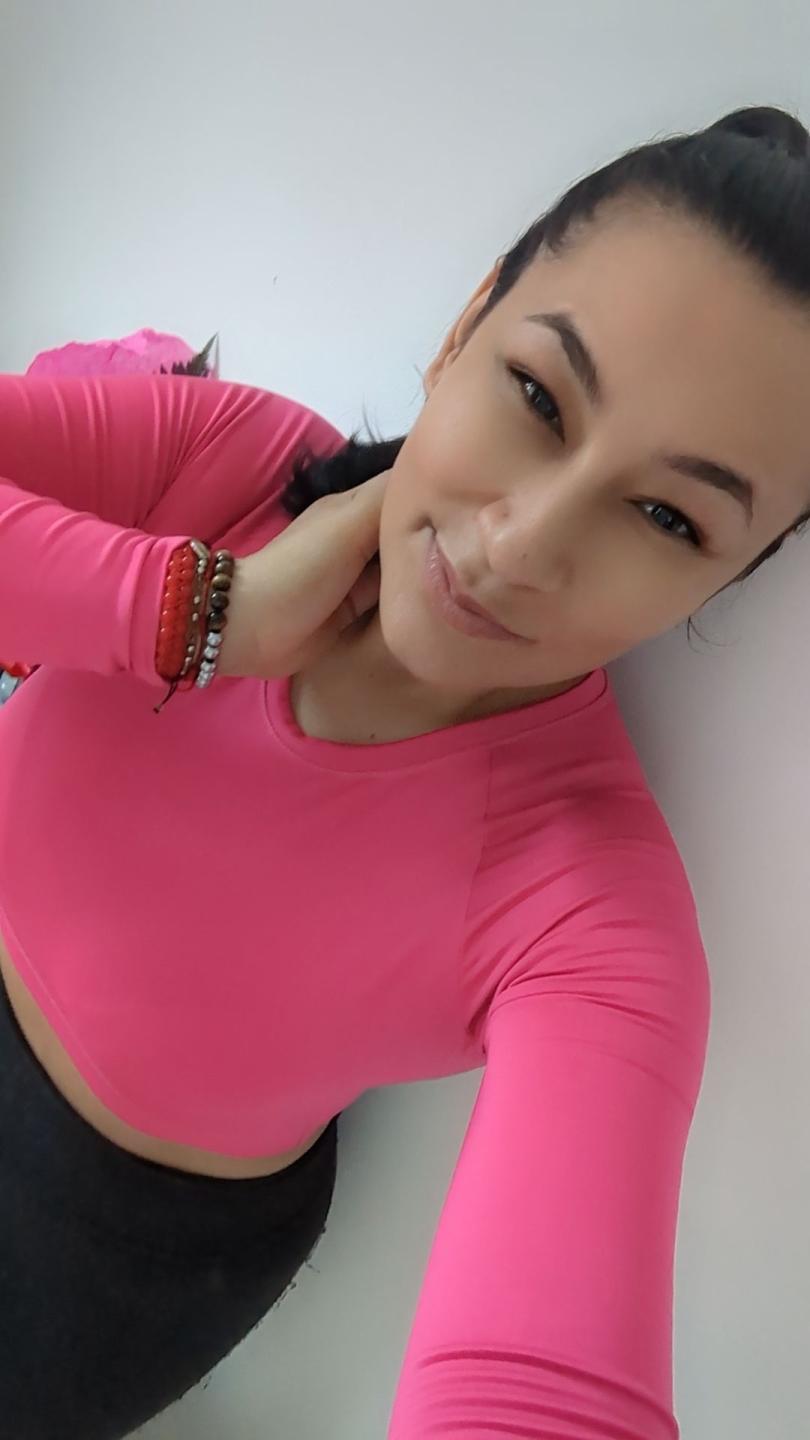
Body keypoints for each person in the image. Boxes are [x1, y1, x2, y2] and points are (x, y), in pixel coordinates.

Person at [0, 102, 808, 1440]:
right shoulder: (230, 459)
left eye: (669, 516)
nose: (523, 545)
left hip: (96, 1253)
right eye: (538, 398)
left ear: (721, 581)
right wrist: (205, 611)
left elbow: (542, 1394)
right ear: (464, 327)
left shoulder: (587, 912)